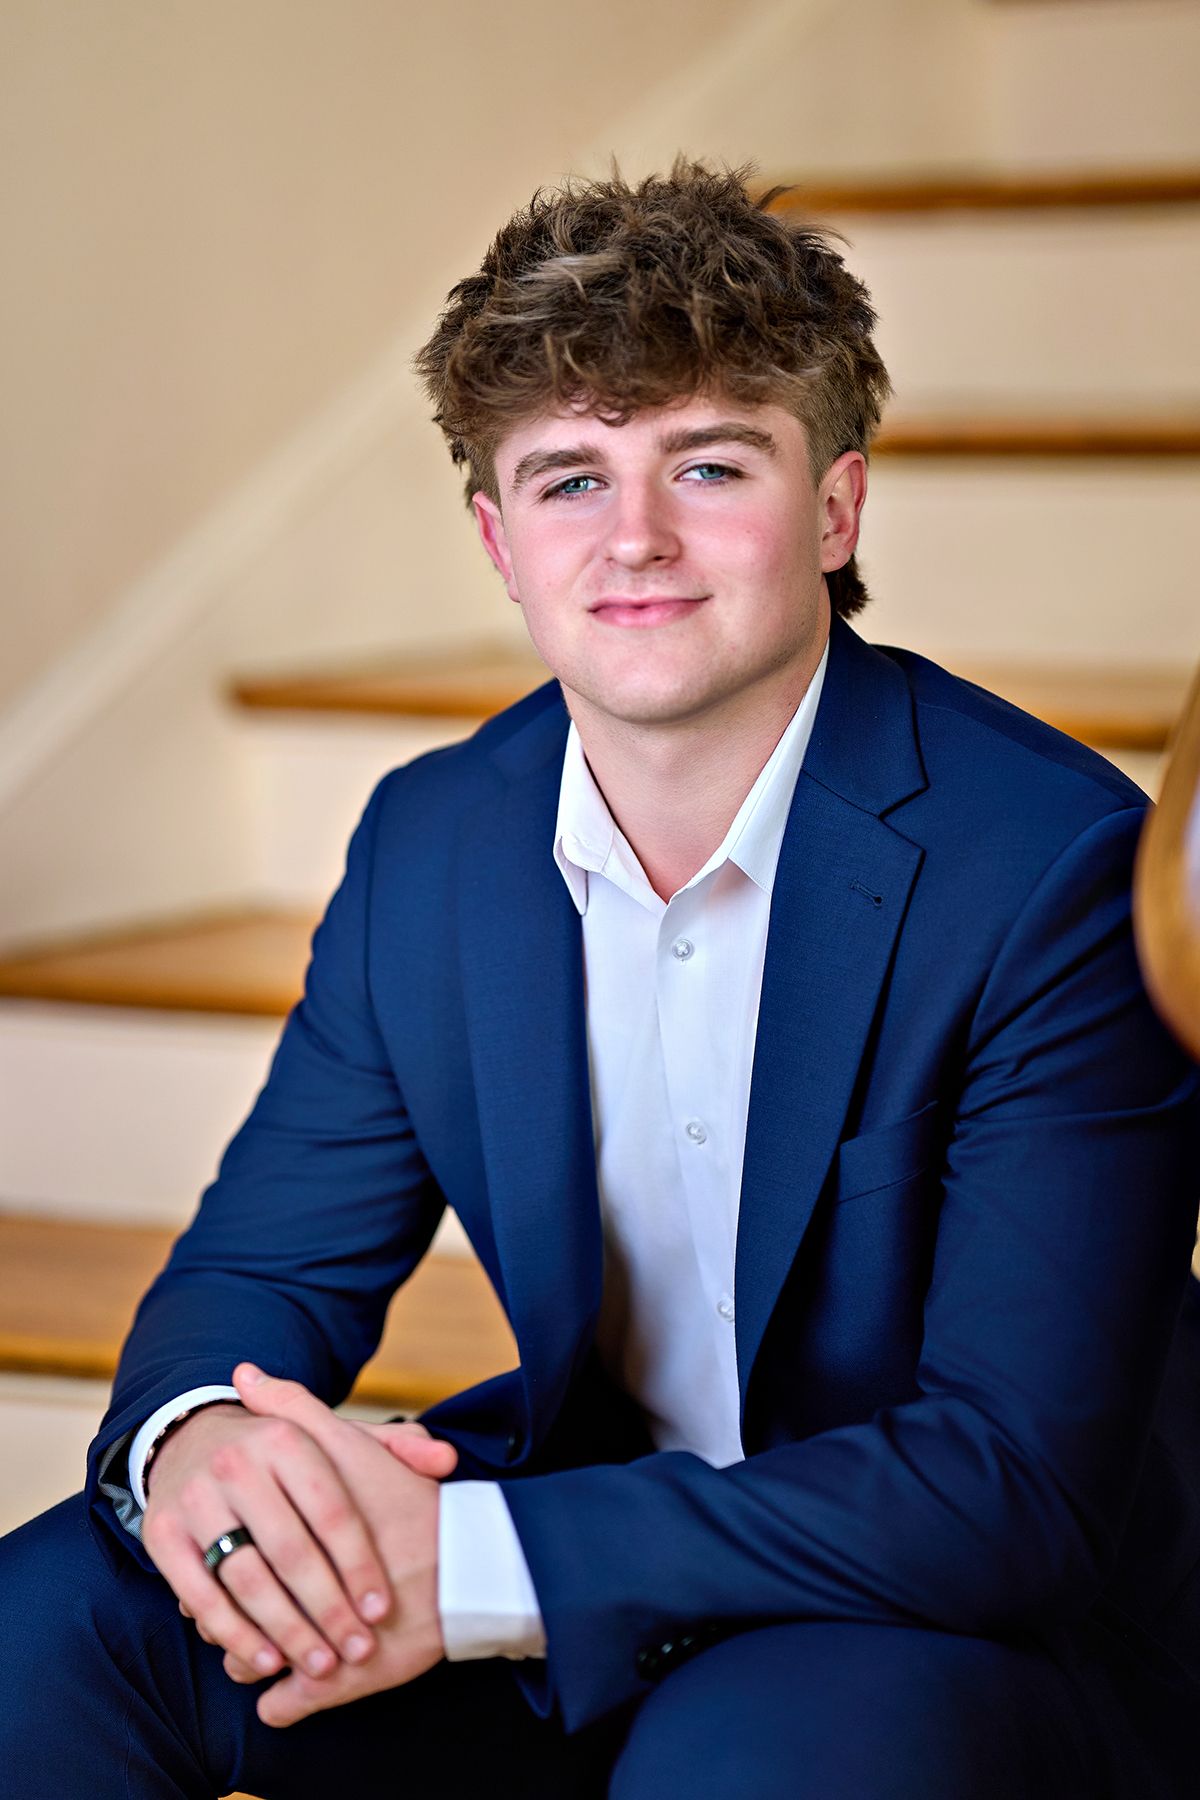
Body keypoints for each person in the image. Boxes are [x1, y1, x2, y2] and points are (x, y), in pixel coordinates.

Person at [3, 158, 1199, 1799]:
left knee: (748, 1757)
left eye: (709, 465)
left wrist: (478, 1565)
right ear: (496, 539)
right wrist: (201, 1442)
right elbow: (258, 1272)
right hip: (588, 1548)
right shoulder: (433, 840)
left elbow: (1010, 1489)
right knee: (52, 1618)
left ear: (837, 509)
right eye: (569, 480)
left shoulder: (1055, 870)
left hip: (954, 1610)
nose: (632, 538)